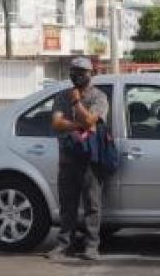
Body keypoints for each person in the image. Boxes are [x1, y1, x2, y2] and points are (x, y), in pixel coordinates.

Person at [46, 57, 109, 262]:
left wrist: (76, 102)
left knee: (92, 204)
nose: (76, 75)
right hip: (67, 156)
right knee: (67, 204)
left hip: (90, 158)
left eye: (81, 71)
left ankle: (91, 246)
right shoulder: (61, 96)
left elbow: (91, 120)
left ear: (91, 74)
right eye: (73, 71)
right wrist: (79, 125)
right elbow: (56, 123)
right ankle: (65, 244)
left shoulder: (99, 97)